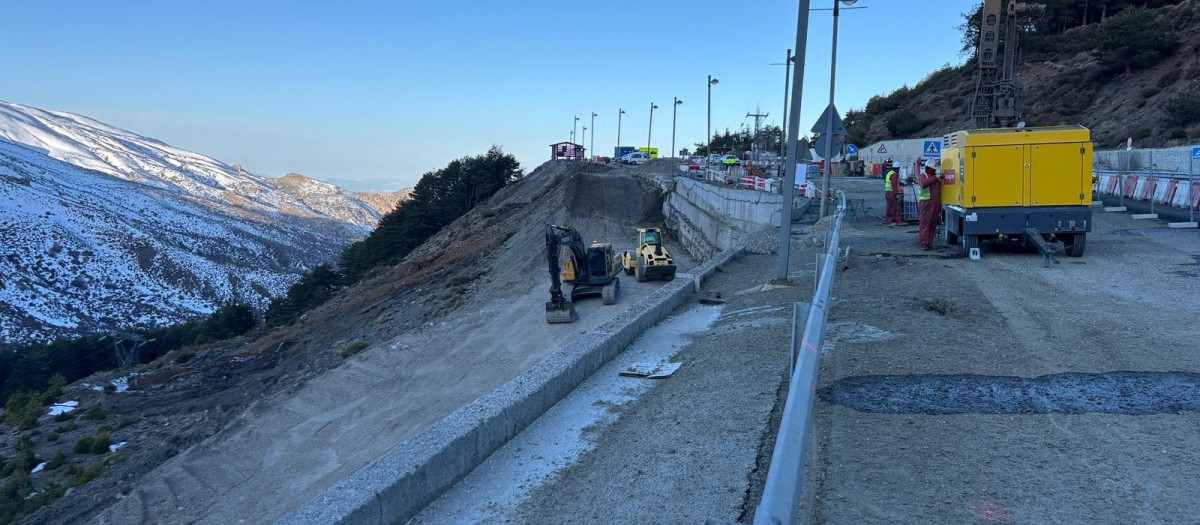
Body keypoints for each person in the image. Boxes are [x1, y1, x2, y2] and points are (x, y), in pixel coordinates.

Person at [916, 160, 943, 250]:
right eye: (933, 169)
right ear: (929, 169)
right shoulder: (923, 176)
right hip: (926, 204)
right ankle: (923, 243)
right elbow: (923, 184)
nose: (935, 171)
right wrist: (935, 177)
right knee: (925, 223)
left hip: (935, 204)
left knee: (932, 224)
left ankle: (929, 243)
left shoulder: (935, 178)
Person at [882, 161, 905, 226]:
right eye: (899, 169)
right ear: (897, 168)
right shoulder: (894, 175)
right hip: (891, 193)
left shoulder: (890, 173)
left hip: (888, 192)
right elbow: (894, 185)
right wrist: (897, 194)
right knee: (891, 207)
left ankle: (898, 220)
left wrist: (902, 184)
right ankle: (889, 221)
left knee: (895, 207)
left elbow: (894, 182)